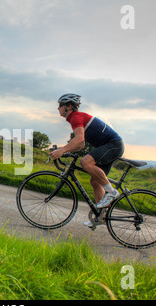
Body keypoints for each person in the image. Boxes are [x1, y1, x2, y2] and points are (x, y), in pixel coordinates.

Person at [49, 93, 125, 228]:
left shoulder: (76, 117)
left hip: (113, 145)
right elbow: (80, 145)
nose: (58, 108)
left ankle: (112, 193)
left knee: (85, 162)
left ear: (69, 106)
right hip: (109, 146)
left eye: (60, 105)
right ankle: (100, 216)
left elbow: (79, 140)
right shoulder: (75, 118)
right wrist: (63, 150)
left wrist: (62, 150)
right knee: (95, 181)